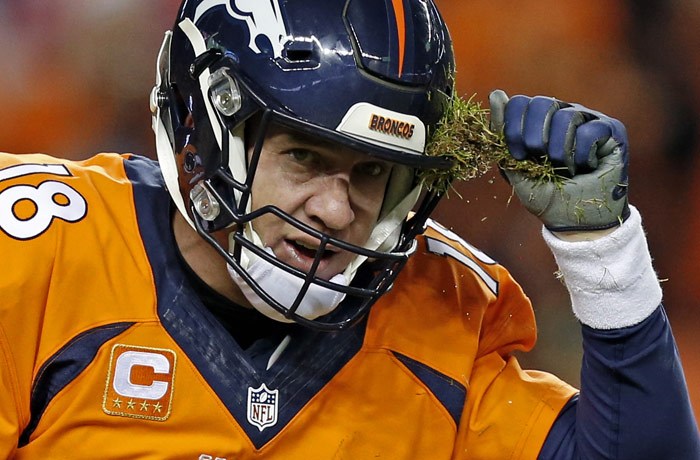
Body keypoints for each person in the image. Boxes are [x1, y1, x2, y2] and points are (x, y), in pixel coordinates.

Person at [0, 0, 697, 458]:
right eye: (304, 156)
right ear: (202, 130)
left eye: (372, 174)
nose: (335, 211)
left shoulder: (442, 311)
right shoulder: (41, 250)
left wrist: (605, 255)